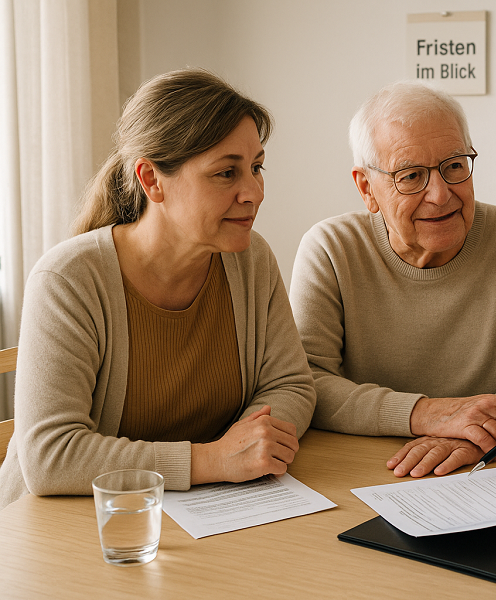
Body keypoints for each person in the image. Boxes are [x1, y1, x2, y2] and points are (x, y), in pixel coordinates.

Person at [0, 69, 316, 510]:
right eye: (226, 173)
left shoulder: (250, 258)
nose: (254, 192)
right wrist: (210, 461)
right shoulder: (68, 280)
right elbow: (50, 457)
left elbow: (291, 384)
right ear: (151, 180)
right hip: (62, 532)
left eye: (257, 168)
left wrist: (248, 446)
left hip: (196, 514)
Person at [290, 81, 496, 478]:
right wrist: (428, 415)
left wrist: (475, 429)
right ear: (366, 188)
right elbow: (307, 383)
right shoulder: (331, 248)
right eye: (411, 176)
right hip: (363, 469)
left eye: (454, 166)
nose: (440, 194)